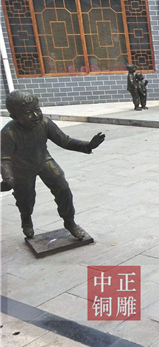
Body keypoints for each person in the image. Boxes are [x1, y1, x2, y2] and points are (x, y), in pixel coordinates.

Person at [1, 90, 105, 240]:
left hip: (44, 160)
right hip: (21, 169)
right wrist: (8, 178)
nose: (36, 115)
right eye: (28, 113)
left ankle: (70, 222)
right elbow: (4, 158)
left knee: (63, 188)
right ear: (15, 117)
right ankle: (26, 219)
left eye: (37, 109)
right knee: (25, 198)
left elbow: (65, 141)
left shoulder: (45, 123)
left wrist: (87, 146)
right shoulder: (8, 133)